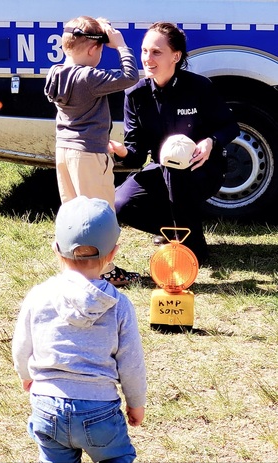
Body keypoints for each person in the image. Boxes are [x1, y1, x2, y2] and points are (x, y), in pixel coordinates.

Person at [12, 195, 147, 463]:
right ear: (113, 254)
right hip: (98, 411)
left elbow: (21, 346)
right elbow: (131, 363)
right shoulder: (119, 305)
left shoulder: (38, 295)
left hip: (46, 404)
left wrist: (26, 374)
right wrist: (136, 403)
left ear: (55, 248)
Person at [111, 22, 240, 265]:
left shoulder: (199, 87)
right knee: (120, 204)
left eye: (156, 52)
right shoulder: (135, 95)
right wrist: (120, 151)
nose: (148, 58)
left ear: (176, 56)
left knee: (176, 167)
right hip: (163, 169)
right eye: (144, 51)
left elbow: (230, 127)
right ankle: (177, 232)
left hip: (204, 169)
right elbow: (137, 156)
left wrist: (211, 142)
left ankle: (194, 252)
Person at [44, 15, 140, 285]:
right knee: (99, 215)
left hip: (63, 151)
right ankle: (106, 272)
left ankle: (73, 265)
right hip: (88, 153)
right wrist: (120, 45)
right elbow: (129, 77)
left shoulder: (55, 73)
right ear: (93, 49)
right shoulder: (89, 77)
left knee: (73, 214)